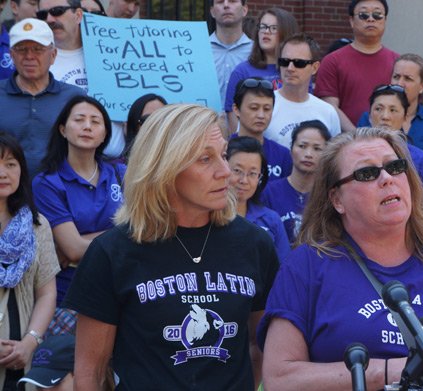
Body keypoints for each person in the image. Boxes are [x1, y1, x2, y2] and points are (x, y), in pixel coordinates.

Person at [258, 127, 423, 390]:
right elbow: (280, 378)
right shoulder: (306, 264)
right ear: (337, 199)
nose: (386, 179)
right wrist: (387, 371)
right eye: (367, 173)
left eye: (395, 167)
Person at [63, 104, 279, 389]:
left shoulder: (255, 244)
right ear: (163, 167)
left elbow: (259, 343)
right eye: (205, 159)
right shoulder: (112, 252)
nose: (225, 172)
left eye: (223, 155)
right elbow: (91, 370)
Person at [32, 96, 124, 321]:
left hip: (120, 287)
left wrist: (82, 241)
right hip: (70, 297)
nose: (87, 126)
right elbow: (73, 249)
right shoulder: (47, 183)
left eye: (95, 121)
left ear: (104, 134)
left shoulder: (122, 174)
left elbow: (144, 228)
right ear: (63, 129)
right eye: (79, 120)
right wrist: (124, 233)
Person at [0, 132, 59, 390]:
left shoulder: (37, 225)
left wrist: (30, 342)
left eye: (11, 164)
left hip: (21, 358)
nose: (3, 173)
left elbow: (46, 293)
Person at [0, 18, 85, 176]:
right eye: (21, 49)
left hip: (59, 194)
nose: (29, 56)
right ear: (12, 55)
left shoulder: (75, 97)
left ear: (53, 55)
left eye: (38, 49)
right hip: (6, 194)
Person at [314, 0, 399, 132]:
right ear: (352, 21)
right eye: (364, 15)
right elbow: (329, 107)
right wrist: (356, 135)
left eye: (377, 15)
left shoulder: (397, 62)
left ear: (385, 20)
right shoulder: (332, 61)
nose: (371, 19)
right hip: (345, 143)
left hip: (388, 142)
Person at [358, 53, 423, 165]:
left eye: (408, 79)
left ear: (422, 86)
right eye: (396, 77)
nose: (400, 83)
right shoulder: (371, 117)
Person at [224, 7, 299, 134]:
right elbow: (233, 119)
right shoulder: (242, 71)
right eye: (263, 27)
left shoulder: (297, 70)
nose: (266, 32)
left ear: (286, 32)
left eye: (274, 28)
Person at [265, 33, 340, 148]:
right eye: (284, 61)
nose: (290, 68)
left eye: (299, 63)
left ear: (314, 68)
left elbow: (333, 159)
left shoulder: (327, 112)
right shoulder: (264, 106)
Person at [262, 120, 331, 245]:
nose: (308, 154)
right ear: (291, 148)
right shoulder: (268, 192)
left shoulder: (329, 197)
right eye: (302, 146)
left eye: (317, 148)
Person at [227, 136, 290, 261]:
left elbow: (283, 269)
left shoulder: (271, 220)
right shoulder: (207, 216)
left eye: (252, 173)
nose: (244, 180)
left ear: (260, 177)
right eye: (237, 170)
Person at [365, 83, 423, 190]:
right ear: (369, 115)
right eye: (378, 109)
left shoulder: (419, 159)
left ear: (405, 117)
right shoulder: (355, 155)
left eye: (393, 110)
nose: (385, 116)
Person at [232, 77, 292, 181]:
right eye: (254, 108)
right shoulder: (223, 150)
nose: (261, 115)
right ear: (236, 109)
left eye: (267, 109)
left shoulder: (283, 155)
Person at [209, 0, 252, 106]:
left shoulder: (257, 51)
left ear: (244, 10)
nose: (226, 5)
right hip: (206, 121)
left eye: (232, 1)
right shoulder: (200, 50)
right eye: (220, 2)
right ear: (212, 12)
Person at [37, 0, 86, 90]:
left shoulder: (103, 51)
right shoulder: (33, 58)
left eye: (57, 11)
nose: (49, 19)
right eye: (42, 14)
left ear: (78, 15)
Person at [123, 93, 167, 161]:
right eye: (147, 119)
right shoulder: (116, 170)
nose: (155, 124)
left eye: (162, 118)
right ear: (134, 124)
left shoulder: (182, 165)